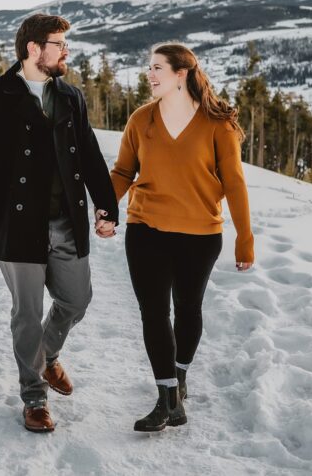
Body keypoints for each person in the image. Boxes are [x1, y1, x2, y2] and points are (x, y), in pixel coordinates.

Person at [0, 13, 119, 433]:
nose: (66, 52)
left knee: (76, 299)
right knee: (27, 314)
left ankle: (47, 356)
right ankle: (34, 396)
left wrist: (106, 206)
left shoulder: (69, 96)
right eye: (59, 44)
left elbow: (87, 154)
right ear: (34, 49)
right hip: (18, 227)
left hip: (66, 221)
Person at [108, 43, 255, 432]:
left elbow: (235, 184)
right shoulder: (142, 120)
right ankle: (167, 398)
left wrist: (245, 238)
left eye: (157, 67)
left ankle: (181, 372)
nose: (149, 75)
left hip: (200, 235)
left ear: (181, 74)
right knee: (153, 312)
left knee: (188, 309)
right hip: (146, 230)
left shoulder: (217, 124)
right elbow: (123, 171)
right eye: (148, 68)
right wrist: (107, 208)